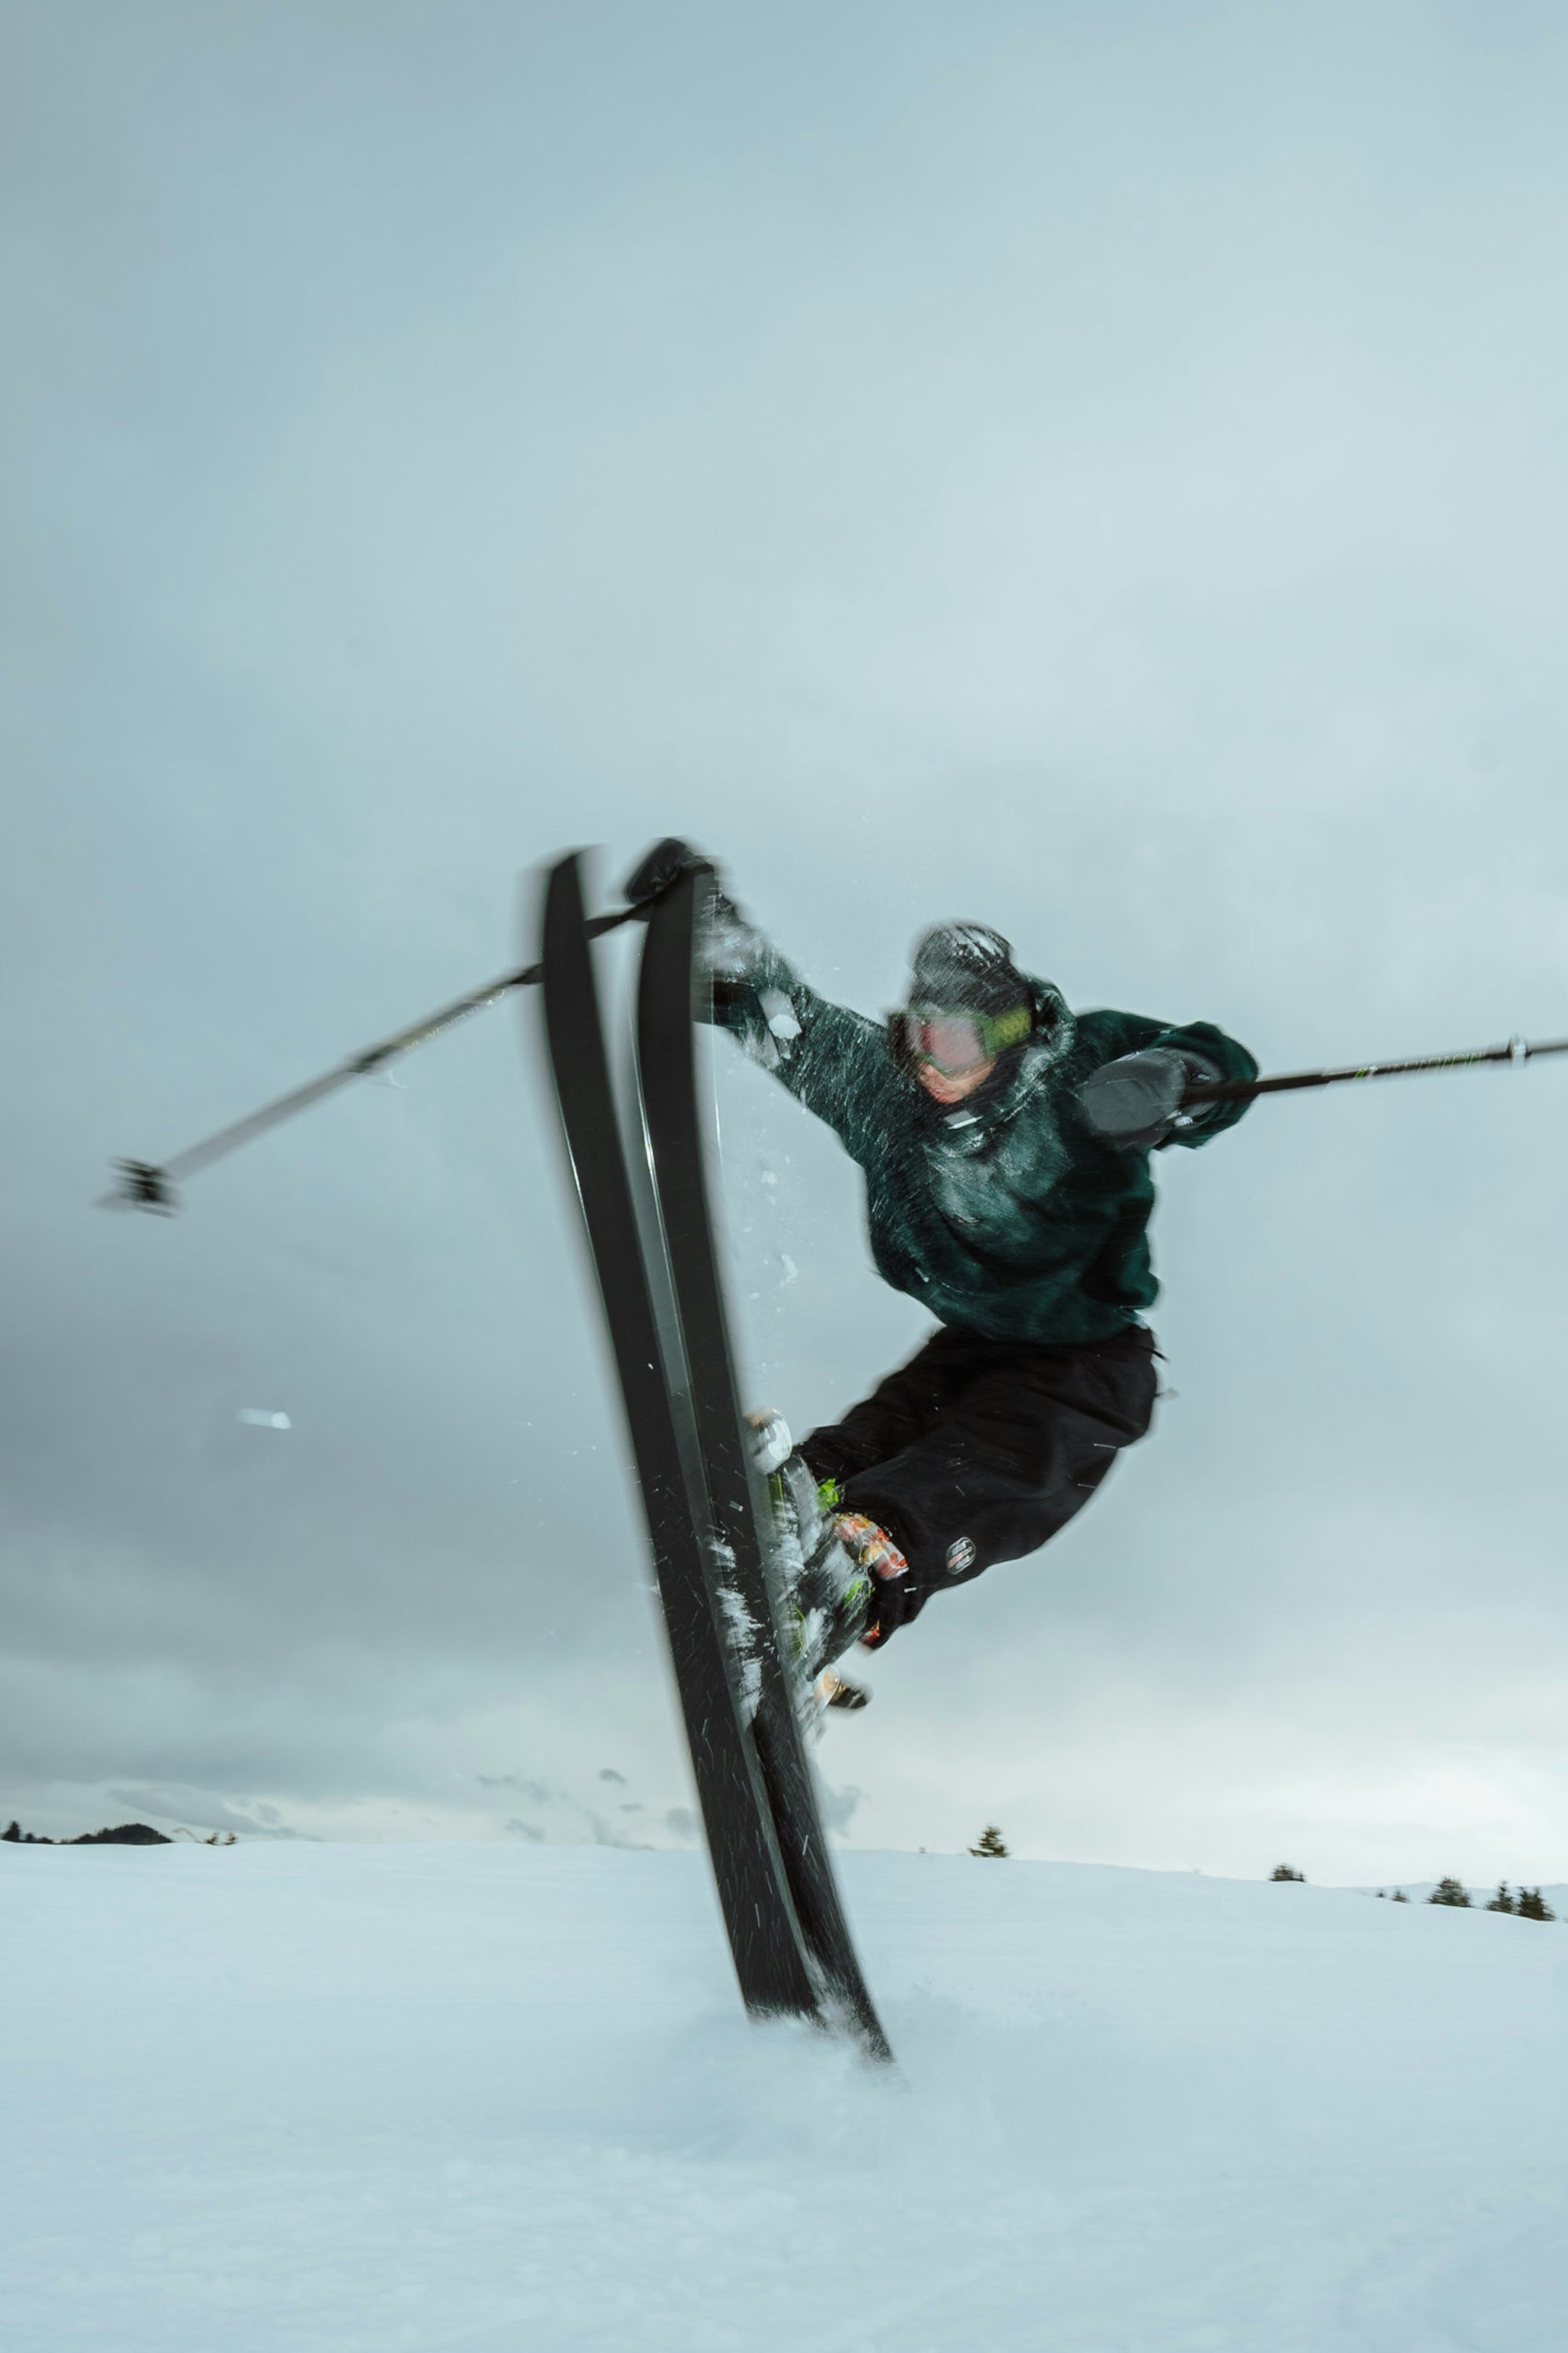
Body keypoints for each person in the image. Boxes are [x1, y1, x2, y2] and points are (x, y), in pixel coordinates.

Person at [626, 841, 1258, 1697]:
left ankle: (856, 1570)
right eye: (916, 1035)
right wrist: (712, 943)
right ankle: (786, 1538)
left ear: (1003, 1033)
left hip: (1087, 1362)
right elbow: (794, 1026)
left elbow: (1218, 1061)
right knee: (870, 1443)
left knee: (970, 1468)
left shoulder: (1076, 1067)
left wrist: (1169, 1079)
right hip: (970, 1344)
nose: (931, 1062)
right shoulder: (891, 1099)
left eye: (953, 1041)